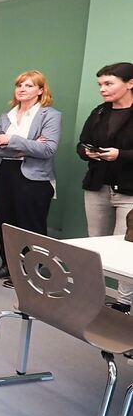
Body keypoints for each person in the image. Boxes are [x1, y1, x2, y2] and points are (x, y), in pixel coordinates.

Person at [0, 70, 60, 284]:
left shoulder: (50, 115)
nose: (22, 89)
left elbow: (48, 150)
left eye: (28, 85)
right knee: (5, 222)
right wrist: (25, 146)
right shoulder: (6, 115)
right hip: (4, 173)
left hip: (34, 178)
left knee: (30, 226)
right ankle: (7, 265)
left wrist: (11, 140)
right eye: (19, 85)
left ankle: (29, 272)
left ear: (40, 90)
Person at [77, 62, 133, 312]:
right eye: (100, 84)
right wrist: (87, 152)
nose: (102, 89)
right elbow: (82, 143)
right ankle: (92, 297)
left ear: (130, 83)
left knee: (126, 250)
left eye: (109, 83)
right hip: (97, 187)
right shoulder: (99, 112)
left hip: (129, 192)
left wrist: (120, 154)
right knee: (95, 244)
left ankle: (124, 303)